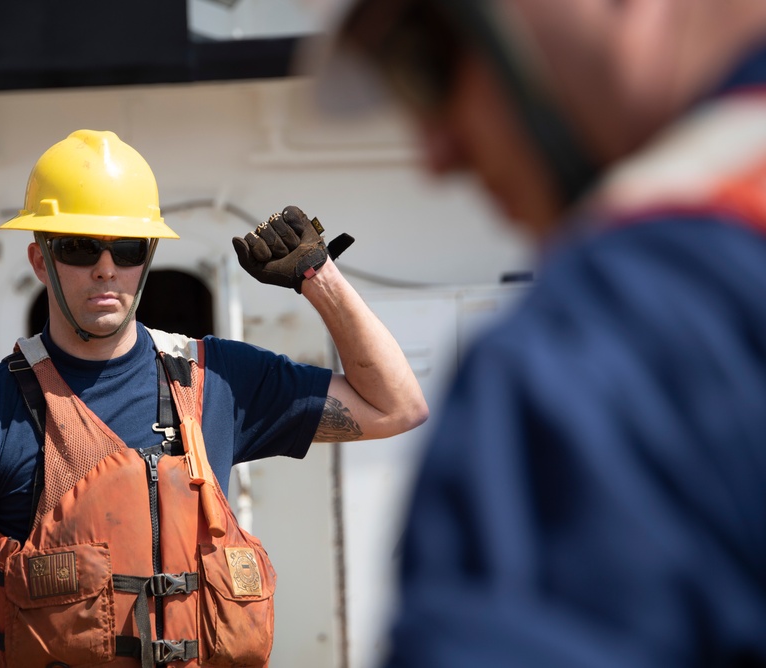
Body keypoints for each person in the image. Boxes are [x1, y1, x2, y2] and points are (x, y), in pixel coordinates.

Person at [318, 0, 766, 665]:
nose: (437, 156)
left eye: (426, 58)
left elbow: (394, 405)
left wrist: (318, 280)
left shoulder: (604, 342)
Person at [0, 129, 428, 668]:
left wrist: (319, 278)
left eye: (128, 248)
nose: (106, 268)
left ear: (148, 257)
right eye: (79, 247)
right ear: (41, 261)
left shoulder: (219, 381)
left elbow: (397, 407)